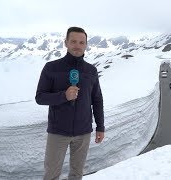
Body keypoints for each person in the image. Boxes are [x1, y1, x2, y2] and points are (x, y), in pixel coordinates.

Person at [35, 27, 105, 180]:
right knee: (51, 174)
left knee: (76, 174)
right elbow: (40, 97)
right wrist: (63, 96)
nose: (77, 45)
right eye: (73, 41)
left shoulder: (91, 70)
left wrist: (100, 127)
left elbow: (97, 100)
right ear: (66, 43)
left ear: (86, 45)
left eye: (81, 42)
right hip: (57, 132)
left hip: (84, 132)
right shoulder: (51, 68)